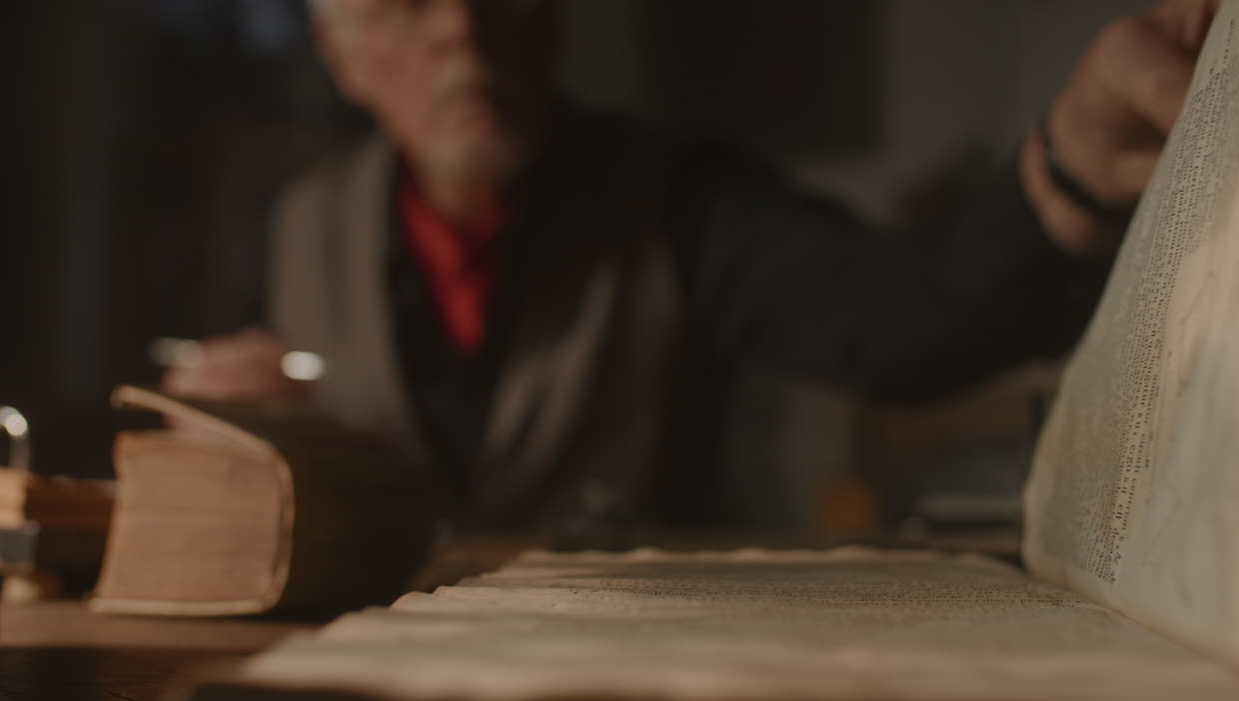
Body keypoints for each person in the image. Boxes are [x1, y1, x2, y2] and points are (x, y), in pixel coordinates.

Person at [163, 0, 1218, 532]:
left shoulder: (678, 197)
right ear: (344, 57)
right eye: (406, 3)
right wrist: (228, 440)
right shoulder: (294, 228)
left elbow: (904, 318)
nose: (460, 28)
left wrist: (1076, 166)